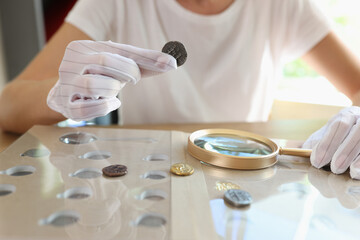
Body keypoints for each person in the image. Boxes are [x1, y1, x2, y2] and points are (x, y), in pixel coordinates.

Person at [0, 0, 360, 178]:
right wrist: (61, 95)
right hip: (148, 175)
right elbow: (8, 105)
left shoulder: (282, 5)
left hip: (248, 175)